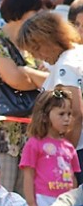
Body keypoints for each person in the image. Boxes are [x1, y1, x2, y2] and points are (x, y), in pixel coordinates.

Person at [0, 0, 46, 193]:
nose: (39, 18)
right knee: (1, 196)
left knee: (25, 202)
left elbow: (51, 80)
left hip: (31, 133)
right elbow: (14, 79)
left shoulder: (34, 43)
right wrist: (34, 77)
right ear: (20, 11)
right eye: (35, 12)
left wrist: (27, 72)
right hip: (2, 134)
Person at [18, 11, 83, 183]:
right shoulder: (76, 54)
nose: (36, 56)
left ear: (52, 38)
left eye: (37, 48)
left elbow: (75, 114)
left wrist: (64, 157)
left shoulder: (66, 65)